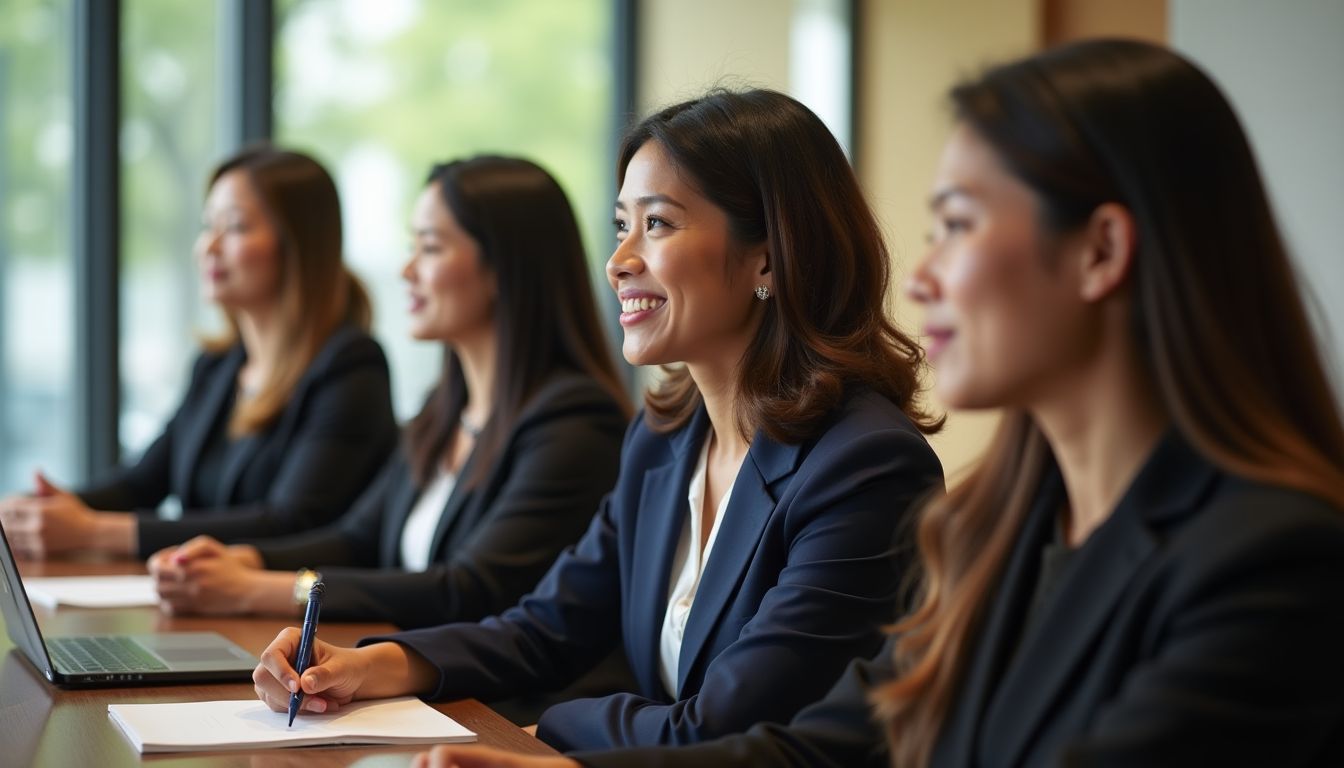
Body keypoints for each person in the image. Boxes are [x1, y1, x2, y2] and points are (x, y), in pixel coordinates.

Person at [404, 38, 1344, 768]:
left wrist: (547, 732)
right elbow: (823, 747)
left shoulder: (1270, 559)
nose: (925, 276)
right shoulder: (999, 520)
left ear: (1100, 253)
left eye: (960, 227)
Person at [251, 88, 946, 752]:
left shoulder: (866, 465)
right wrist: (370, 667)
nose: (618, 262)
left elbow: (723, 726)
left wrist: (545, 728)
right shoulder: (664, 442)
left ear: (770, 252)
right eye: (621, 226)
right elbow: (547, 627)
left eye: (658, 224)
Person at [146, 156, 631, 631]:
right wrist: (244, 560)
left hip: (495, 707)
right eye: (411, 246)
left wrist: (260, 589)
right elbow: (357, 538)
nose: (407, 270)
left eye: (431, 248)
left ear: (503, 268)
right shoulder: (444, 410)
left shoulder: (575, 423)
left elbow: (468, 589)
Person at [0, 146, 398, 559]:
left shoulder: (351, 368)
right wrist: (36, 510)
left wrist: (94, 532)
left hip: (293, 616)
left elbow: (291, 520)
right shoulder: (218, 367)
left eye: (236, 227)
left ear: (298, 245)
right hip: (199, 602)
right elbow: (142, 482)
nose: (209, 245)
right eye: (208, 225)